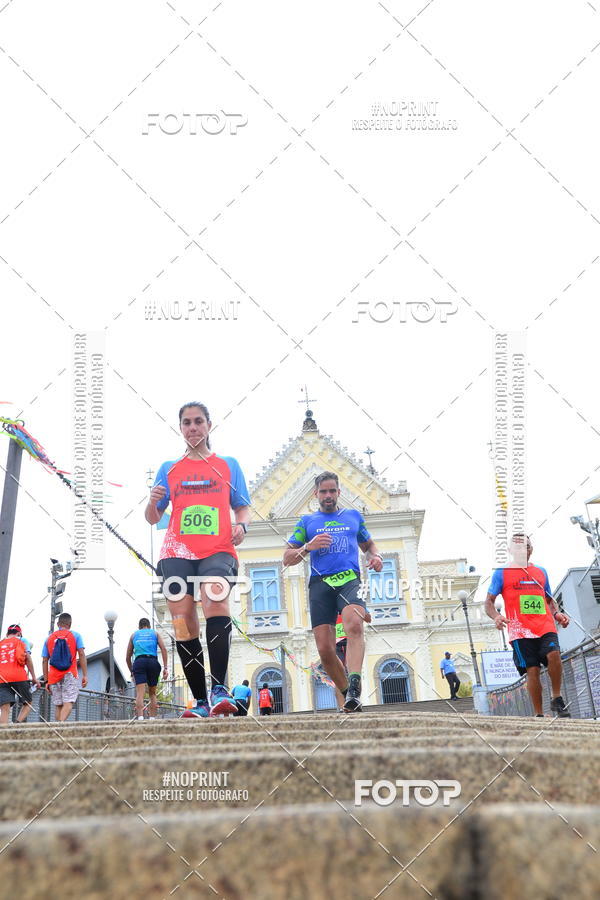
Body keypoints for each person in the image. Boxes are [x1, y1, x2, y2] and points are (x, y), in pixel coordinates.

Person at [145, 401, 251, 719]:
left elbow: (242, 506)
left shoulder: (228, 465)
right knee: (182, 620)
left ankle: (219, 689)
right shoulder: (169, 468)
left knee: (215, 600)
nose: (193, 427)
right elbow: (153, 517)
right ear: (181, 428)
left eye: (199, 421)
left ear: (208, 425)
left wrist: (241, 525)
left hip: (218, 548)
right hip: (176, 551)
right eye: (187, 422)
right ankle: (201, 701)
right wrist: (151, 503)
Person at [283, 471, 383, 713]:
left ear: (338, 492)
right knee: (325, 650)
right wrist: (308, 547)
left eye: (332, 491)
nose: (328, 495)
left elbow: (369, 545)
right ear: (315, 494)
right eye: (323, 491)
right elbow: (287, 558)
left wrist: (376, 556)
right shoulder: (307, 522)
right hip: (320, 584)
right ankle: (348, 694)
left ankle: (355, 686)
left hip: (349, 579)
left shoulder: (353, 516)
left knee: (354, 625)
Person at [485, 534, 571, 718]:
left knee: (554, 654)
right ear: (510, 550)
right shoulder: (501, 572)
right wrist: (497, 616)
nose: (524, 550)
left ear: (532, 549)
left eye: (527, 546)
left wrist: (557, 614)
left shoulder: (541, 572)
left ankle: (557, 698)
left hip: (545, 625)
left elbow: (549, 599)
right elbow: (489, 602)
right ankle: (539, 714)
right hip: (520, 631)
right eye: (518, 547)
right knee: (533, 670)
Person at [42, 613, 87, 722]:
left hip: (54, 676)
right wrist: (85, 675)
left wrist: (46, 680)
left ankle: (57, 728)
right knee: (68, 702)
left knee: (59, 705)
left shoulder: (49, 638)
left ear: (58, 624)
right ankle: (59, 727)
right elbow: (81, 654)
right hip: (70, 673)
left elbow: (44, 660)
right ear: (70, 624)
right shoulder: (76, 635)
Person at [126, 618, 168, 720]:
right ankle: (152, 718)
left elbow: (127, 657)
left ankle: (140, 717)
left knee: (140, 693)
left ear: (139, 627)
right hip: (153, 662)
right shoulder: (155, 633)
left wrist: (132, 671)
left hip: (139, 662)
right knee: (152, 693)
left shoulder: (134, 635)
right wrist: (165, 667)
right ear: (149, 626)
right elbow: (163, 649)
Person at [0, 625, 40, 724]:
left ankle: (3, 732)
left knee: (5, 707)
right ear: (19, 633)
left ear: (7, 634)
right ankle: (17, 724)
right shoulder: (22, 640)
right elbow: (28, 659)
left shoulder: (1, 643)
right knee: (28, 703)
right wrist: (34, 677)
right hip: (19, 676)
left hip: (2, 678)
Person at [333, 610, 371, 709]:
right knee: (338, 675)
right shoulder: (330, 605)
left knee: (354, 674)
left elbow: (368, 617)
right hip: (336, 643)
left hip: (352, 641)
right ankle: (342, 708)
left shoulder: (352, 603)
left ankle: (355, 701)